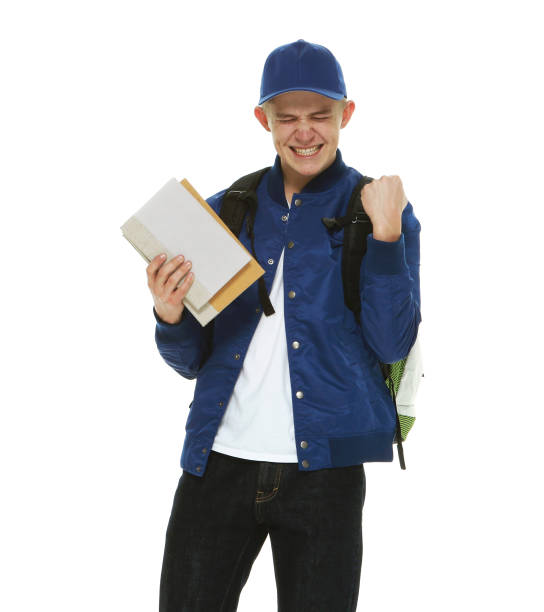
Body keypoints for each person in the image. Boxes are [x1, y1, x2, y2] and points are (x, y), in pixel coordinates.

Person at [146, 39, 421, 612]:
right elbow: (190, 360)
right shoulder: (227, 210)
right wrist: (169, 315)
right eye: (287, 118)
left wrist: (388, 238)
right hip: (216, 464)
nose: (304, 133)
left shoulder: (379, 211)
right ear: (262, 120)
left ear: (346, 114)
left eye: (320, 116)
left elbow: (393, 341)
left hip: (326, 474)